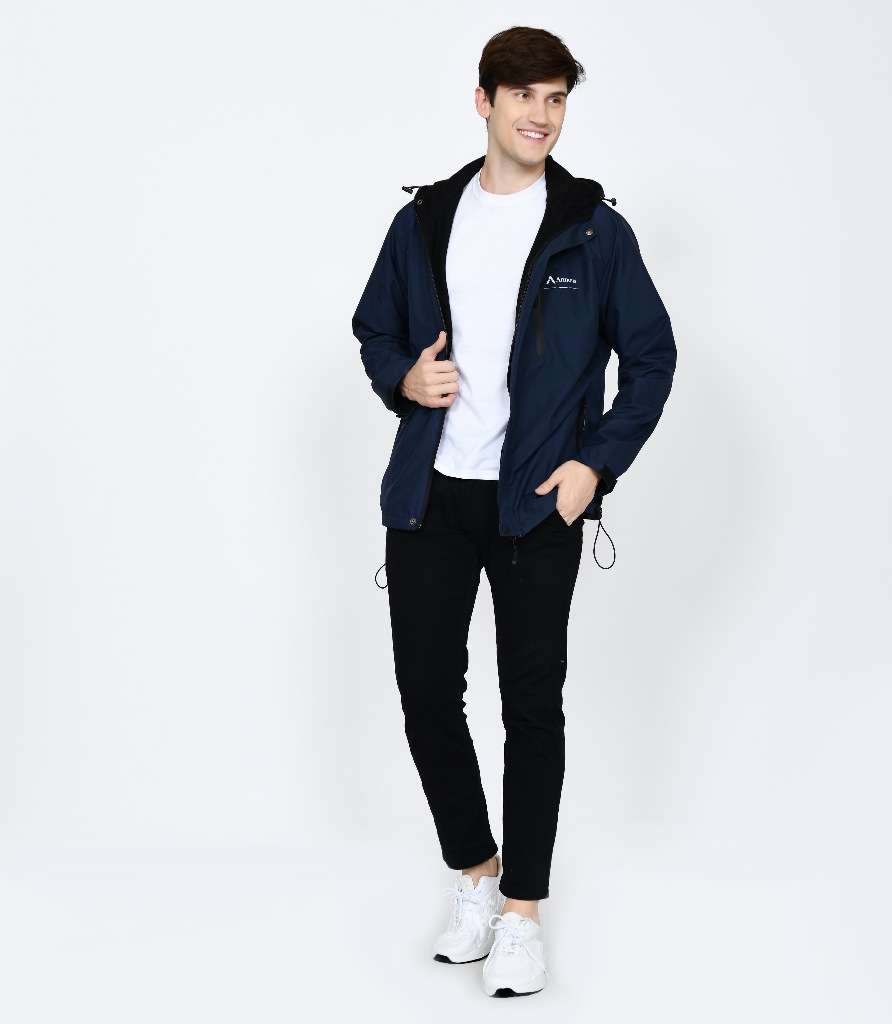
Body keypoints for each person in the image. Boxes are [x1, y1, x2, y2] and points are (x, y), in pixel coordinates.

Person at [352, 25, 675, 998]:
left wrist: (593, 467)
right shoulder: (425, 219)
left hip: (537, 504)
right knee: (425, 693)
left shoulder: (593, 230)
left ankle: (524, 914)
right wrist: (403, 376)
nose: (541, 115)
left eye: (556, 98)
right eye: (524, 95)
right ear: (483, 100)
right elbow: (374, 328)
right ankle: (477, 876)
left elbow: (650, 357)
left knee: (530, 705)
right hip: (432, 496)